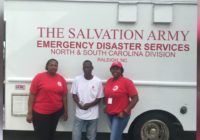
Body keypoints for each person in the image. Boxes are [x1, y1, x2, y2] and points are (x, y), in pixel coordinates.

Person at [26, 58, 68, 140]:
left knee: (51, 134)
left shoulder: (61, 79)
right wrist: (29, 113)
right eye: (51, 65)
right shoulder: (39, 77)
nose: (53, 67)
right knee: (42, 136)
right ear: (47, 66)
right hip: (40, 114)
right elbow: (32, 95)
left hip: (55, 113)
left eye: (55, 65)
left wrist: (66, 112)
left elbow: (64, 96)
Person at [104, 61, 139, 140]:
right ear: (111, 70)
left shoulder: (127, 82)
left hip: (120, 115)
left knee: (114, 138)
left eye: (117, 68)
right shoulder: (109, 81)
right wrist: (106, 106)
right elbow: (108, 95)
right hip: (109, 114)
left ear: (121, 70)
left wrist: (125, 111)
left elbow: (135, 98)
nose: (115, 70)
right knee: (117, 136)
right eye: (113, 69)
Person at [71, 60, 104, 140]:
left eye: (88, 67)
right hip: (80, 113)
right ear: (83, 68)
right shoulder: (77, 79)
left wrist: (89, 105)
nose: (86, 69)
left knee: (91, 136)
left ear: (92, 68)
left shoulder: (98, 81)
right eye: (84, 67)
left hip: (93, 115)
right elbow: (74, 94)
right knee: (76, 136)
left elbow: (99, 98)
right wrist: (79, 104)